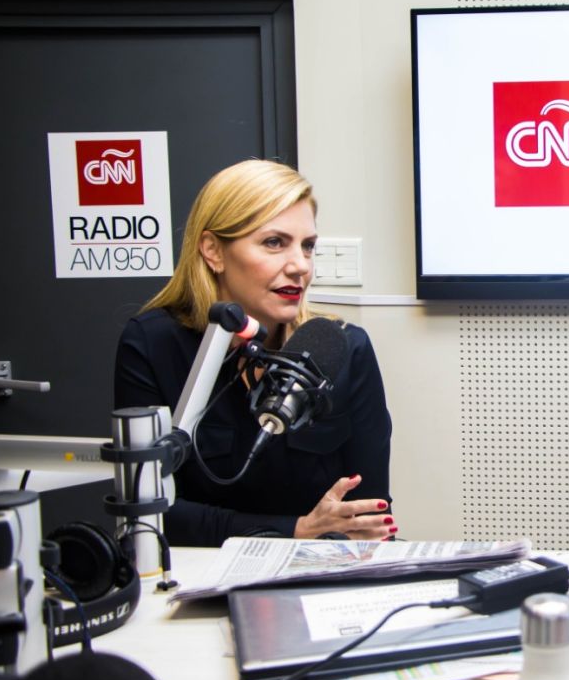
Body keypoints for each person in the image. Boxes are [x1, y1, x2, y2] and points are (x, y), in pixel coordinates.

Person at [114, 159, 395, 547]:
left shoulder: (345, 347)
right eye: (274, 243)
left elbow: (368, 517)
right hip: (197, 576)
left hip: (321, 573)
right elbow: (148, 512)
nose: (300, 266)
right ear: (213, 250)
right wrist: (294, 529)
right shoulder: (152, 344)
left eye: (308, 246)